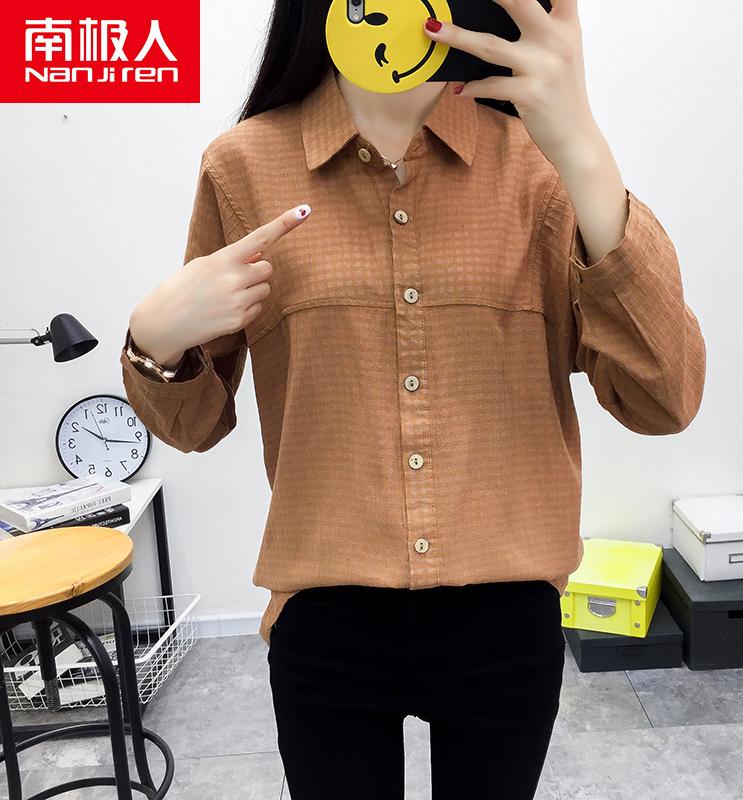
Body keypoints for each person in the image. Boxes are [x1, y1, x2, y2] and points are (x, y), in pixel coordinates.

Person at [120, 1, 707, 797]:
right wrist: (154, 341)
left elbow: (664, 396)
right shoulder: (244, 166)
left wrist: (582, 146)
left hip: (506, 619)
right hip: (327, 621)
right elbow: (193, 425)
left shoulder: (541, 167)